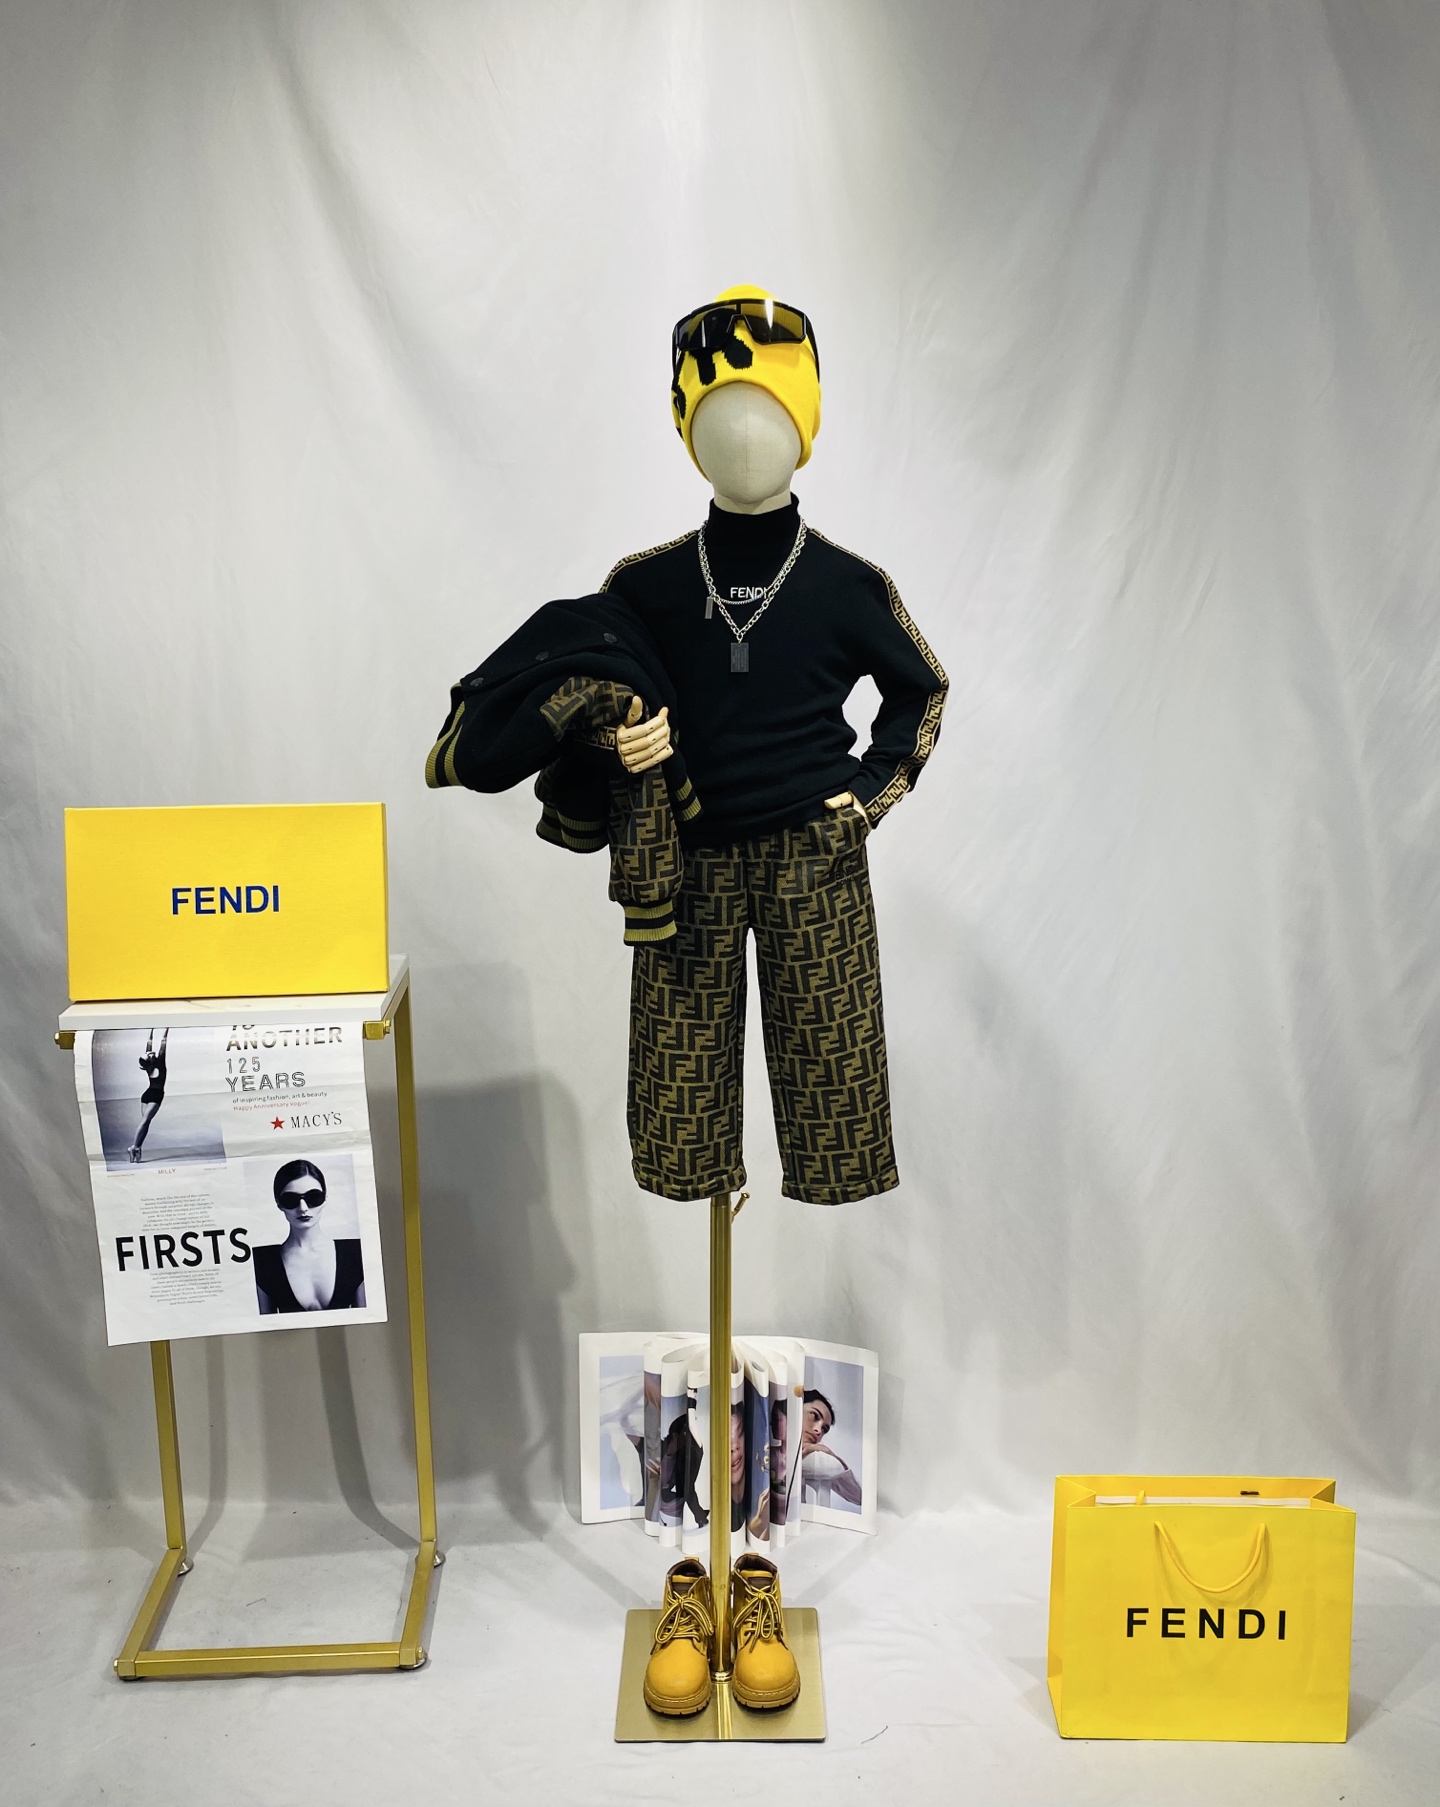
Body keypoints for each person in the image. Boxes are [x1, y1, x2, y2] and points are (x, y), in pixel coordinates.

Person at [253, 1158, 365, 1314]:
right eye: (290, 1200)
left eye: (313, 1197)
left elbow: (366, 1318)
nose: (303, 1208)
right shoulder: (262, 1261)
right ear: (279, 1203)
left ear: (325, 1199)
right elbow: (267, 1325)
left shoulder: (356, 1252)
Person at [800, 1386, 861, 1507]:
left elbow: (858, 1497)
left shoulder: (811, 1454)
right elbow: (834, 1467)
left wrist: (829, 1453)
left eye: (824, 1429)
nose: (818, 1431)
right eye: (814, 1416)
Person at [126, 1027, 169, 1163]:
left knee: (145, 1122)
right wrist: (166, 1029)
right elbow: (163, 1045)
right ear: (150, 1060)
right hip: (156, 1095)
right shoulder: (160, 1062)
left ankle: (138, 1149)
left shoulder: (148, 1066)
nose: (151, 1053)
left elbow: (148, 1046)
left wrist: (151, 1030)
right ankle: (133, 1147)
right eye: (150, 1055)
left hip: (147, 1094)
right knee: (145, 1121)